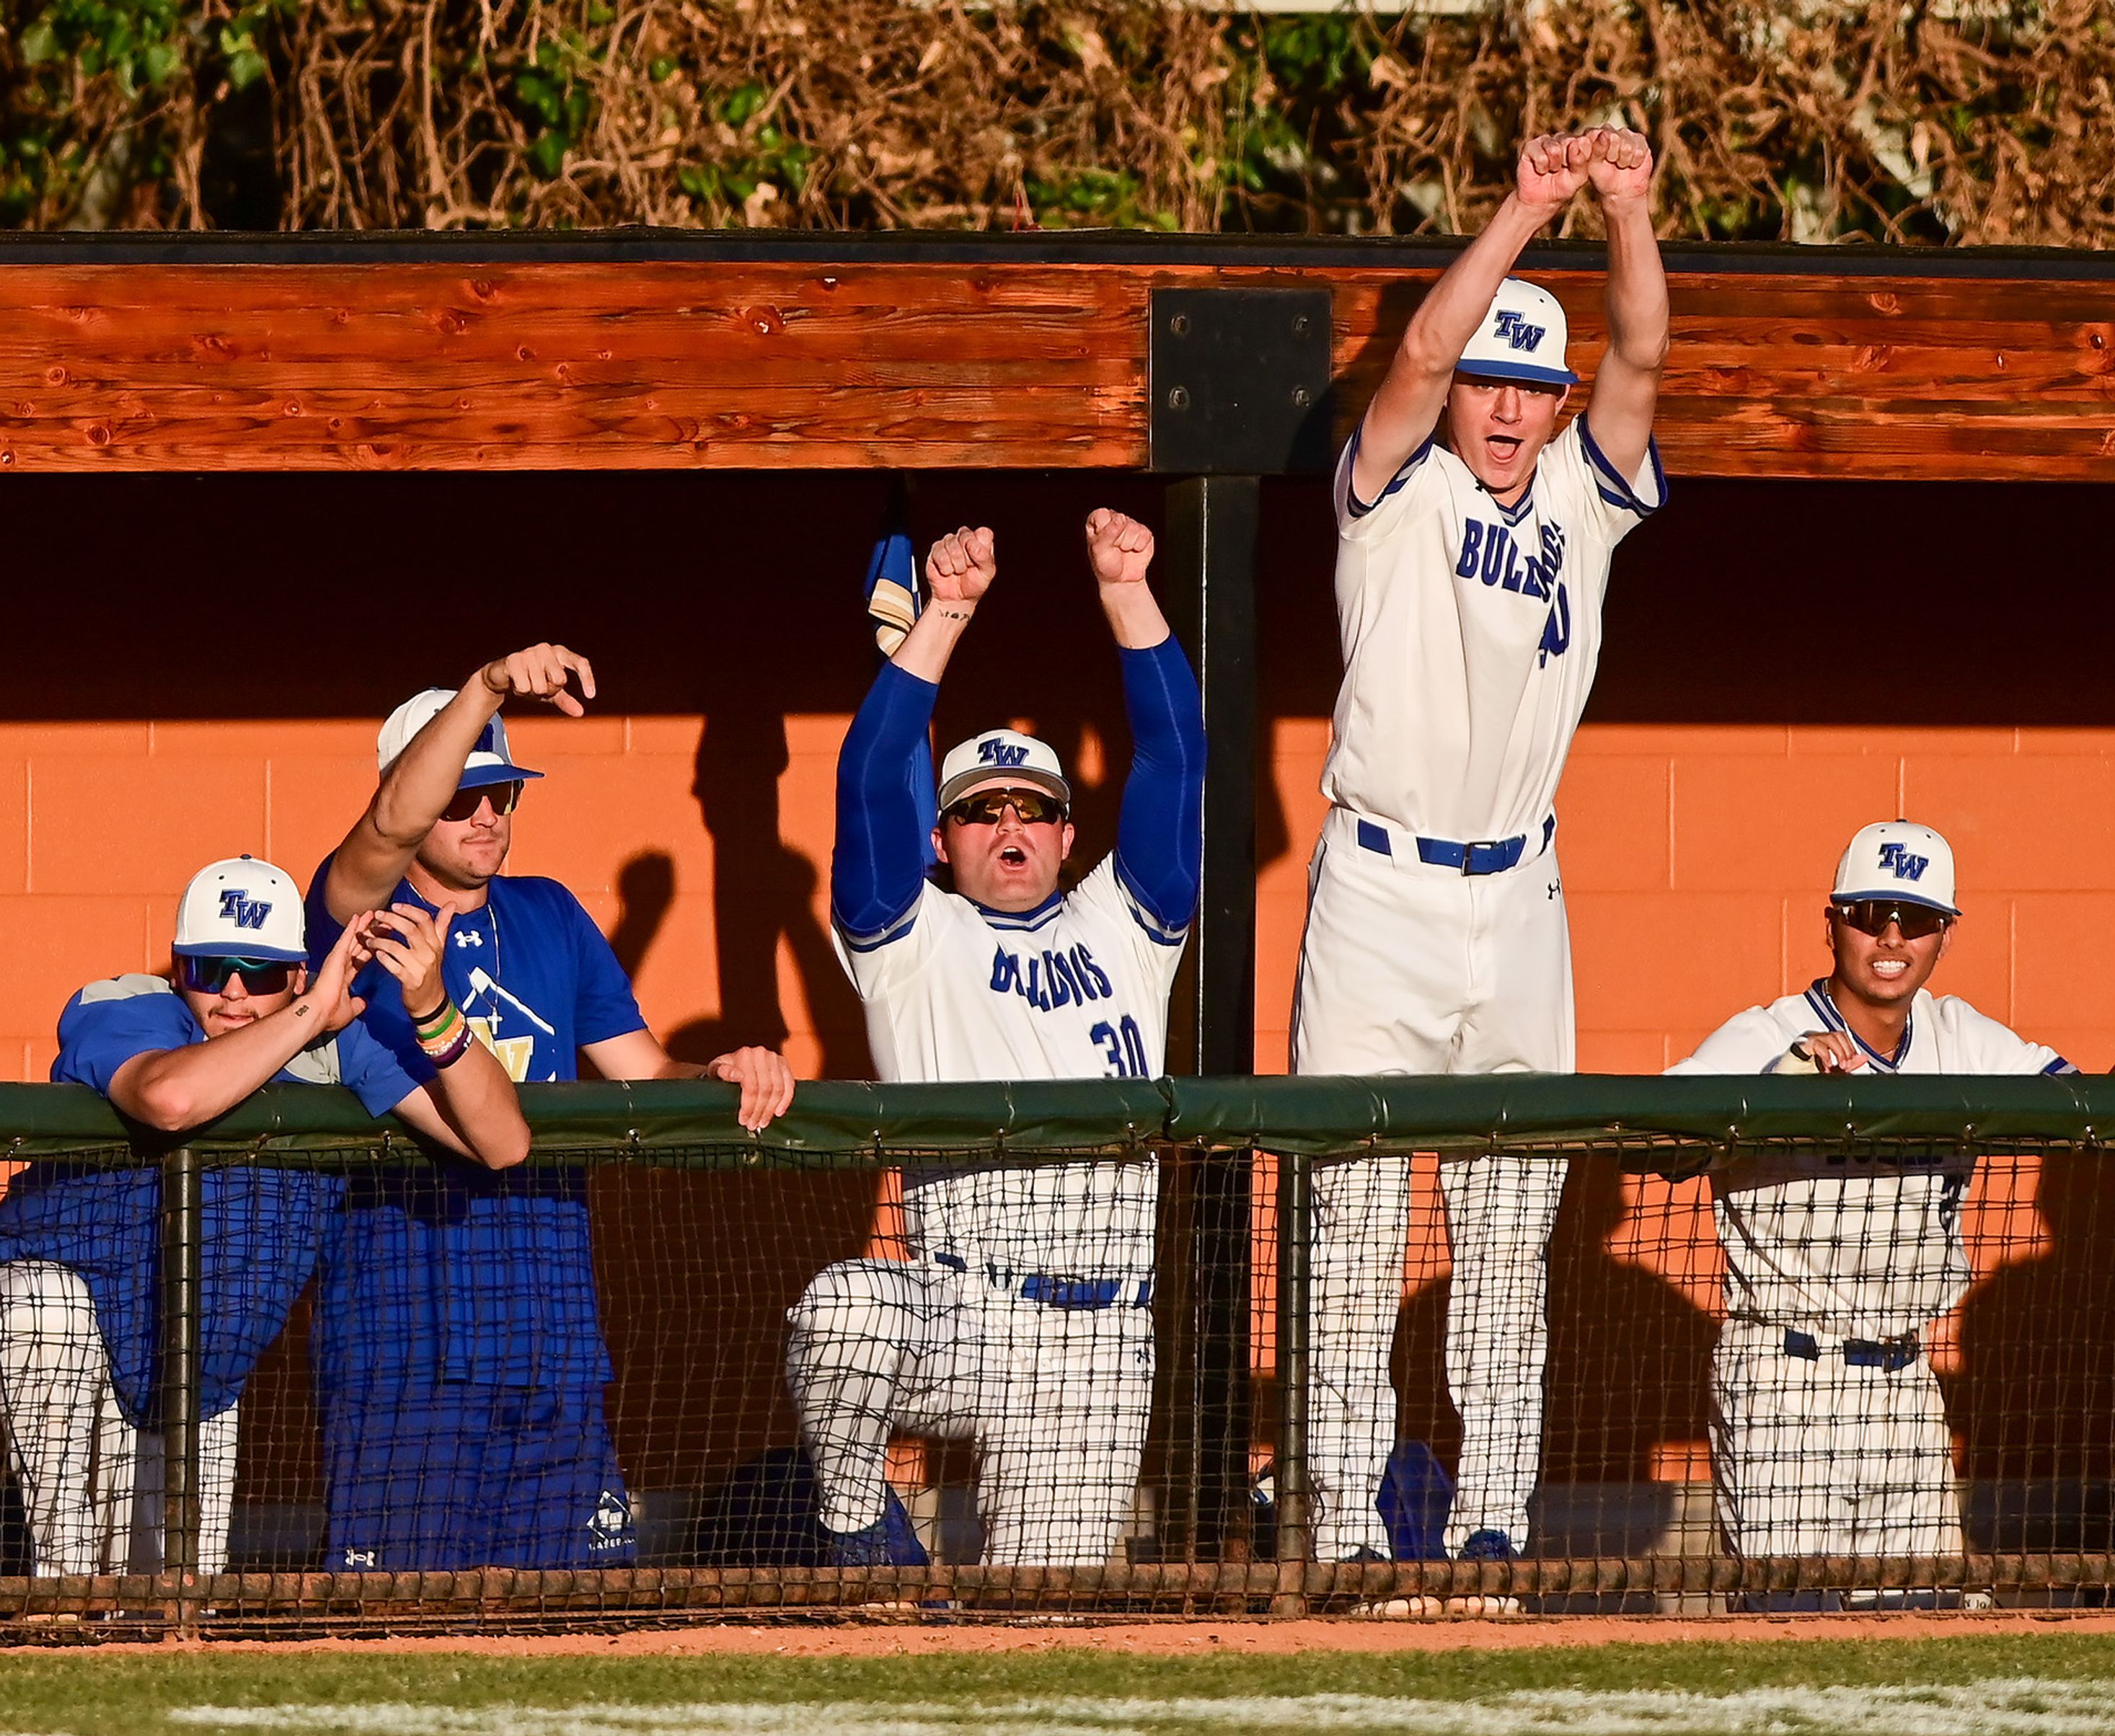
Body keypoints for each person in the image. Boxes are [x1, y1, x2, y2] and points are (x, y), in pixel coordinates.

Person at [1290, 125, 1671, 1564]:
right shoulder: (1397, 490)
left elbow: (1638, 364)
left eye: (1531, 387)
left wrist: (1628, 214)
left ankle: (1495, 1527)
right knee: (1351, 1228)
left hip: (1521, 896)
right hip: (1380, 884)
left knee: (1509, 1243)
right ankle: (1341, 1533)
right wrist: (1525, 207)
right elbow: (1409, 366)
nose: (1505, 411)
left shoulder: (1579, 490)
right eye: (1490, 383)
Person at [303, 646, 795, 1572]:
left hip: (552, 1331)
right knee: (396, 1639)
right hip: (407, 1342)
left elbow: (643, 1070)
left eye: (503, 794)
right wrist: (485, 686)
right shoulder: (358, 916)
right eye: (459, 795)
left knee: (577, 1625)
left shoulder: (554, 912)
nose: (485, 812)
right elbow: (383, 830)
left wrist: (724, 1069)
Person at [785, 507, 1204, 1567]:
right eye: (982, 809)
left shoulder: (1128, 920)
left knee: (1049, 1630)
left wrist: (1127, 593)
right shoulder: (908, 935)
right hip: (964, 1305)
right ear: (944, 836)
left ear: (1069, 832)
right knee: (840, 1312)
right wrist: (947, 614)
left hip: (1105, 1336)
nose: (1009, 826)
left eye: (1032, 807)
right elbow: (871, 778)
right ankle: (859, 1533)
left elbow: (1178, 756)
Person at [1665, 821, 2115, 1598]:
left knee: (1923, 1625)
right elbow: (1657, 1146)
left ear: (1944, 933)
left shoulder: (1960, 1035)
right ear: (1832, 922)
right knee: (1792, 1626)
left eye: (1914, 918)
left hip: (1905, 1383)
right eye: (1870, 911)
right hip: (1784, 1376)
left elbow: (2097, 1121)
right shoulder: (1769, 1031)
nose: (1890, 935)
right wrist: (1775, 1085)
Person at [0, 856, 526, 1578]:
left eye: (264, 971)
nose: (236, 991)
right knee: (43, 1313)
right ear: (180, 968)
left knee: (181, 1589)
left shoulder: (339, 1048)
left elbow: (502, 1142)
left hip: (196, 1354)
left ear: (297, 974)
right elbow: (172, 1099)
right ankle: (58, 1591)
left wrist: (433, 1008)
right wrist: (311, 1011)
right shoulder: (126, 1002)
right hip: (70, 1323)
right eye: (213, 968)